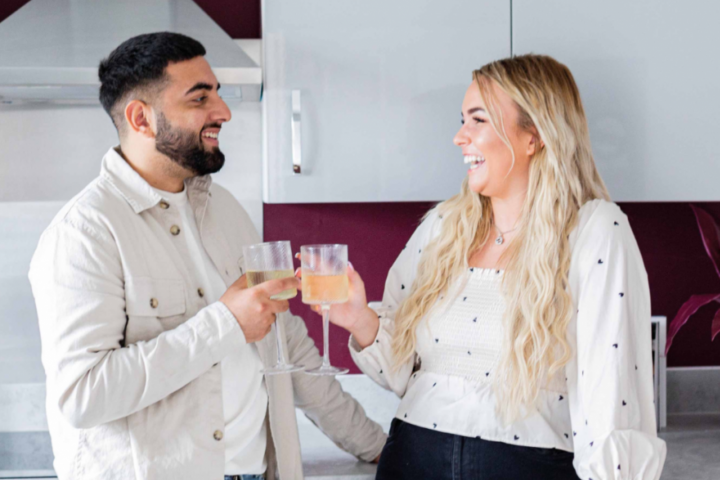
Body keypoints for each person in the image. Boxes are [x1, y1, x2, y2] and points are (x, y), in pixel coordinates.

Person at [28, 32, 385, 480]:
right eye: (200, 98)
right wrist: (226, 324)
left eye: (217, 92)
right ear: (141, 118)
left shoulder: (228, 212)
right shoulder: (84, 234)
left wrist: (377, 447)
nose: (224, 112)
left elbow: (288, 348)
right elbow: (83, 396)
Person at [313, 54, 667, 479]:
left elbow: (612, 402)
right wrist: (360, 319)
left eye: (477, 120)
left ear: (533, 134)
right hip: (412, 458)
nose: (459, 137)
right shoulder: (443, 228)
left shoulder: (594, 232)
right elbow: (402, 375)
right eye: (462, 120)